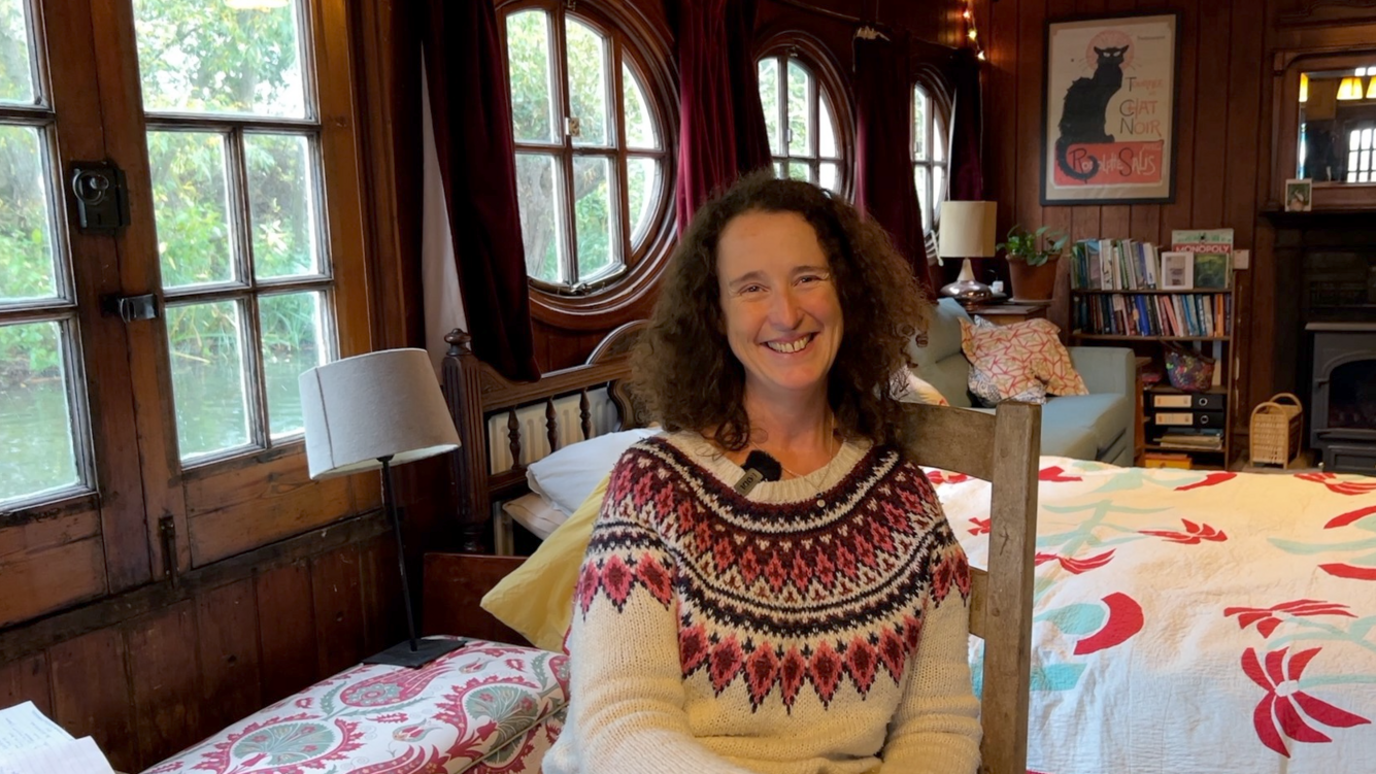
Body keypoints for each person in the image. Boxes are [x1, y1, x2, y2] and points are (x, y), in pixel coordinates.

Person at [541, 174, 981, 774]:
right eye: (751, 287)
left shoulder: (904, 502)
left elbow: (939, 723)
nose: (786, 312)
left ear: (847, 294)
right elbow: (618, 723)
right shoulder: (653, 485)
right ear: (715, 315)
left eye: (808, 278)